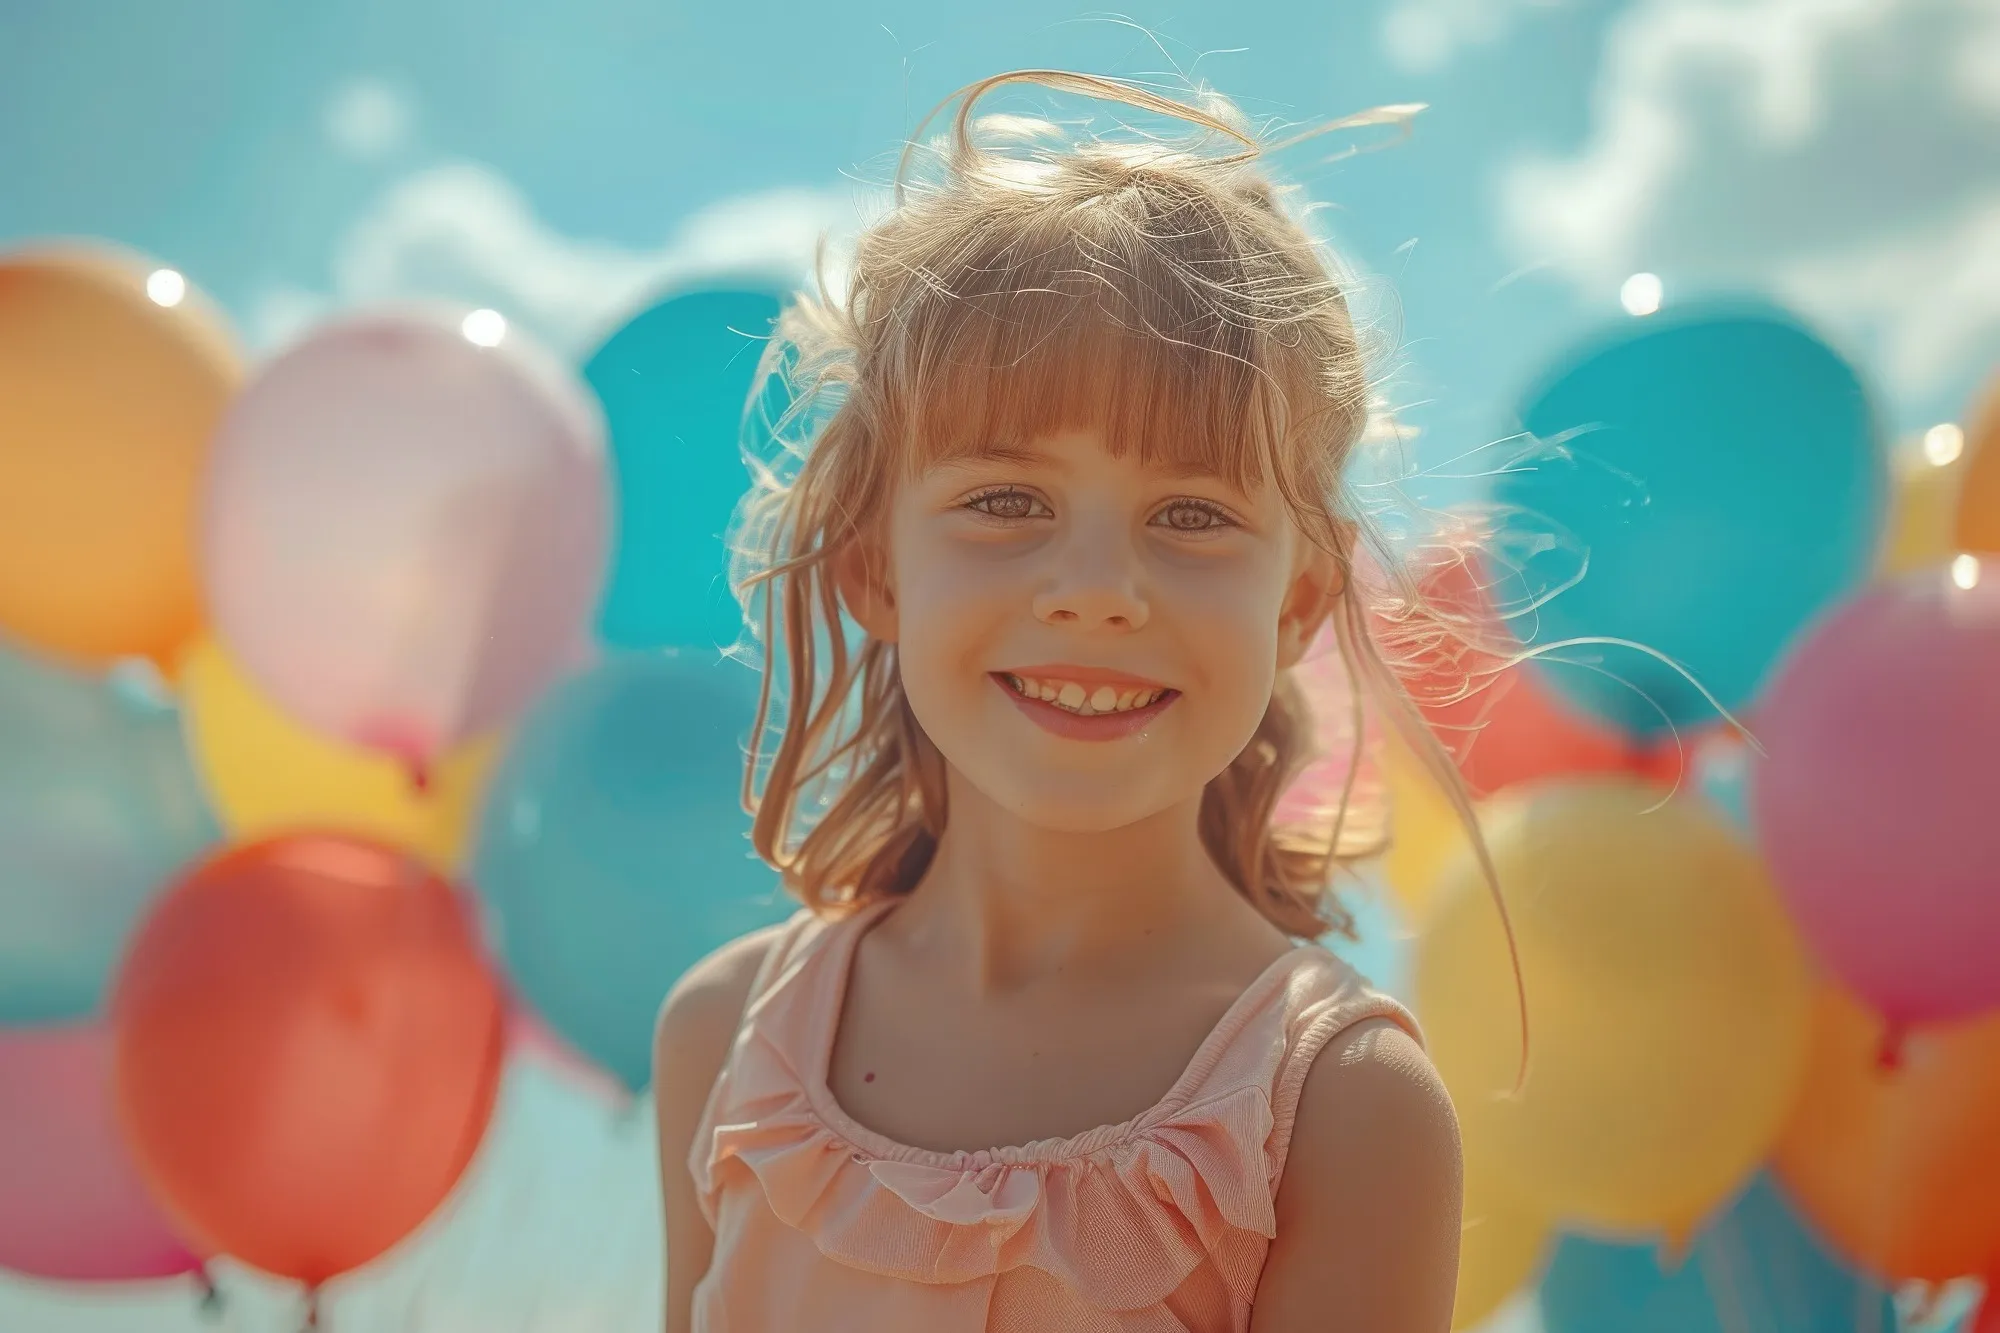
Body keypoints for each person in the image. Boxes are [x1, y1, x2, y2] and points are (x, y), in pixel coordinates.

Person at [654, 69, 1498, 1333]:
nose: (1098, 590)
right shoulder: (723, 1035)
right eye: (1006, 501)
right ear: (873, 565)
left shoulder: (1336, 1109)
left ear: (1295, 609)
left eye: (1192, 514)